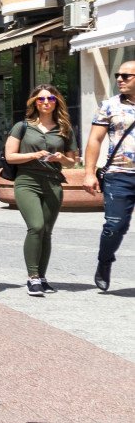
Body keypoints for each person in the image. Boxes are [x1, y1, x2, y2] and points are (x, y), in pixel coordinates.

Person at [4, 84, 78, 296]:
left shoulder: (65, 128)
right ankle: (32, 277)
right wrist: (33, 155)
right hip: (27, 181)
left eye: (51, 99)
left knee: (46, 231)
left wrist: (62, 158)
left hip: (53, 183)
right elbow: (10, 156)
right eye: (41, 99)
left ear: (57, 102)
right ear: (34, 102)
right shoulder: (22, 126)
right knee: (36, 226)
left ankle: (42, 278)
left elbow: (73, 161)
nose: (46, 103)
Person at [83, 59, 135, 293]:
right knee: (115, 225)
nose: (120, 80)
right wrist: (88, 173)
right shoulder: (110, 105)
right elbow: (95, 139)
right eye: (118, 75)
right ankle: (105, 261)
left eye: (126, 76)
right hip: (118, 175)